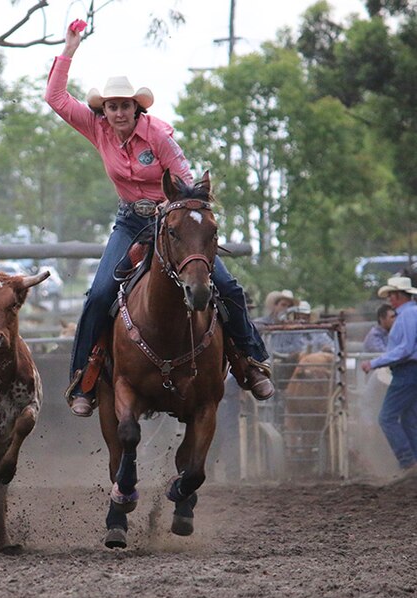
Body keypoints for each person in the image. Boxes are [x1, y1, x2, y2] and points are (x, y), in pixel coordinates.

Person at [46, 24, 273, 417]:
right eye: (112, 106)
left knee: (226, 286)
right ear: (105, 110)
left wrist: (189, 213)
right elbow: (56, 98)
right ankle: (85, 377)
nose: (118, 112)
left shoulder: (160, 136)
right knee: (99, 294)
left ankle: (250, 362)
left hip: (173, 222)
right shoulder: (97, 128)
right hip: (131, 222)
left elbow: (184, 181)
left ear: (138, 108)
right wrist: (69, 49)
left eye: (126, 105)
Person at [361, 276, 417, 477]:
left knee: (387, 417)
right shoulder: (409, 314)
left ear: (398, 295)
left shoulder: (408, 315)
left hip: (408, 371)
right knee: (409, 418)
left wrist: (374, 363)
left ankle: (407, 462)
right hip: (410, 370)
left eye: (391, 295)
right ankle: (413, 463)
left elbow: (405, 348)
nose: (389, 300)